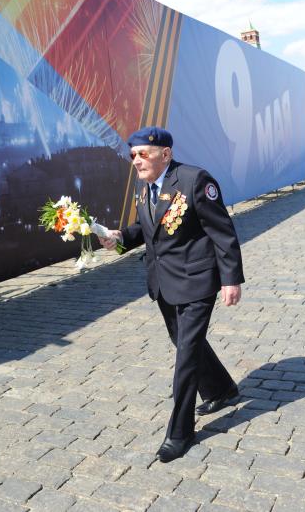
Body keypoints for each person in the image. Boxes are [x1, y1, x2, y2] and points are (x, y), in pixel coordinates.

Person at [100, 126, 244, 462]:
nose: (136, 161)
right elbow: (148, 231)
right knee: (185, 343)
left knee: (186, 357)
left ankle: (179, 432)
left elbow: (222, 232)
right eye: (132, 155)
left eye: (143, 154)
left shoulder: (194, 180)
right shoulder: (145, 186)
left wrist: (231, 279)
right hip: (163, 283)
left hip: (197, 281)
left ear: (165, 153)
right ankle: (222, 388)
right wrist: (120, 238)